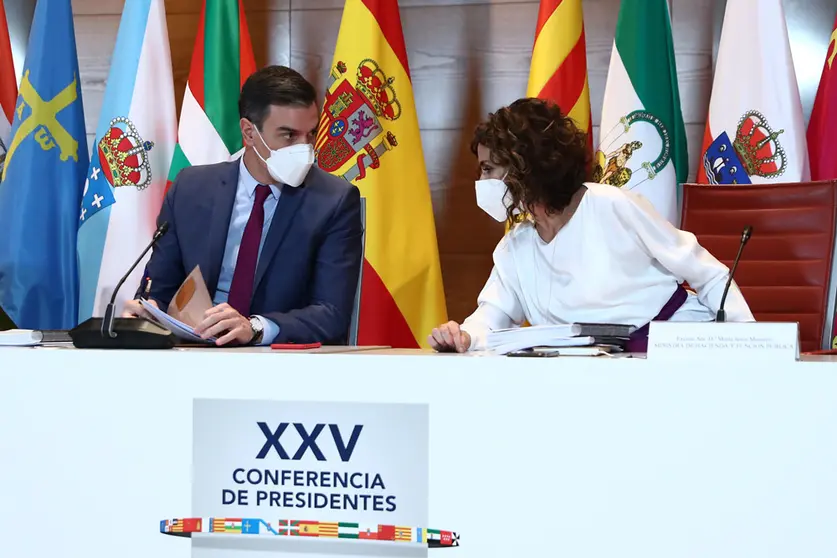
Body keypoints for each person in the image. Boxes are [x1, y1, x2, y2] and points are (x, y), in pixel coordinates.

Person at [429, 98, 755, 353]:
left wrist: (751, 346)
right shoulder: (516, 245)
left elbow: (708, 274)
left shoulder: (611, 205)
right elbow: (491, 317)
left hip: (675, 352)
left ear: (522, 166)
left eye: (487, 169)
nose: (480, 181)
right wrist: (462, 336)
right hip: (592, 375)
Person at [122, 65, 363, 346]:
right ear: (249, 133)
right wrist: (145, 312)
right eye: (289, 136)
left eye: (310, 135)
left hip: (280, 361)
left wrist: (256, 328)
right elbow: (159, 288)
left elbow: (332, 312)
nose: (305, 148)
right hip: (192, 353)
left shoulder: (334, 200)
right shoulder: (191, 189)